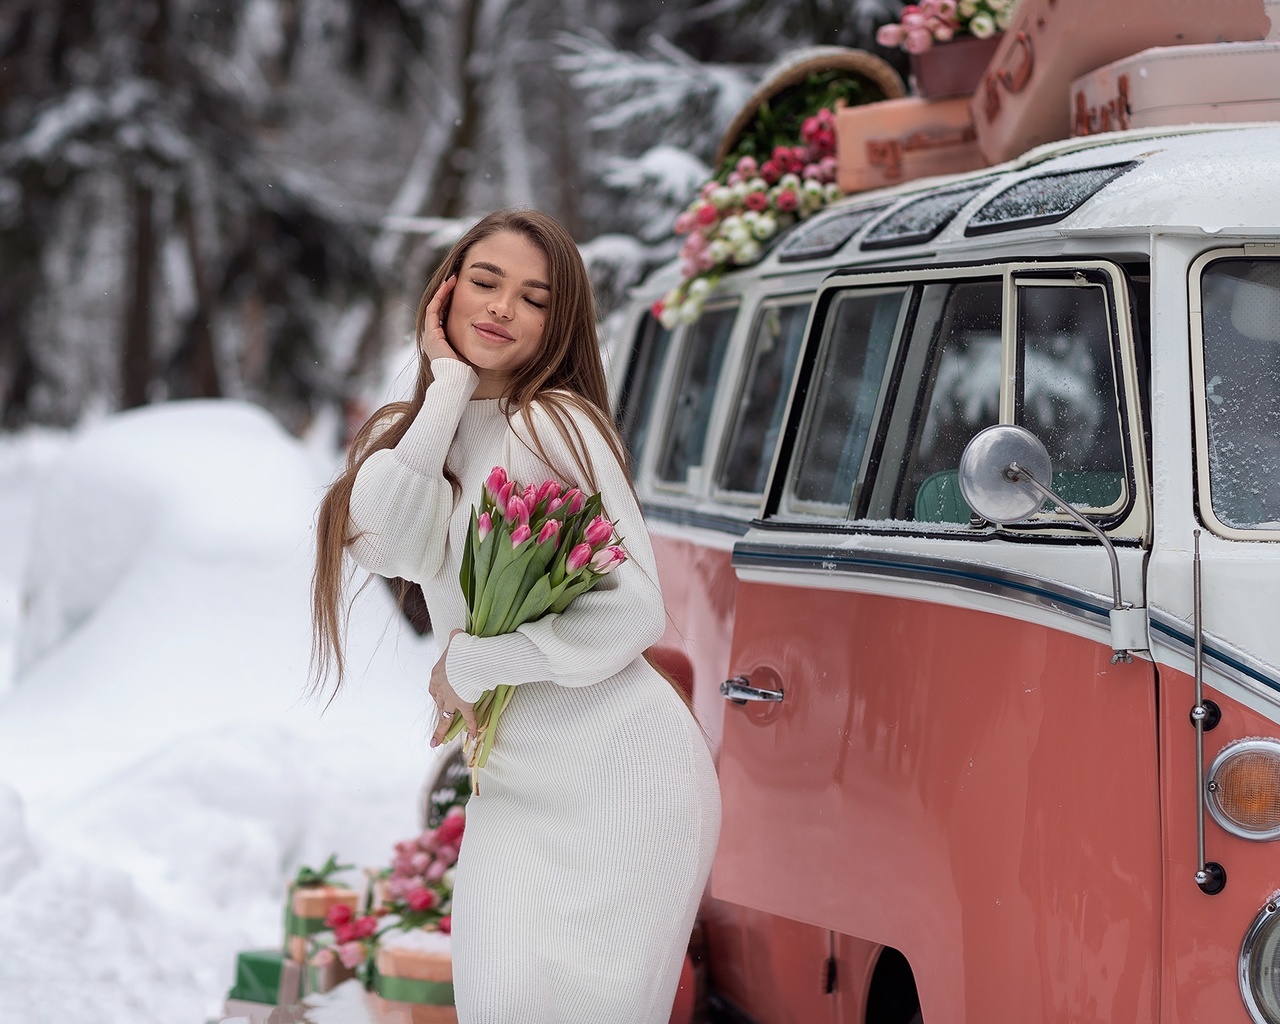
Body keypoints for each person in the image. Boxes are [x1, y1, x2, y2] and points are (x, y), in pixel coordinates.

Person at [312, 209, 721, 1023]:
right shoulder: (426, 438)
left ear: (557, 323)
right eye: (486, 282)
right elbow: (383, 540)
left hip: (622, 775)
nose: (501, 309)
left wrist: (474, 662)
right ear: (446, 291)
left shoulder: (553, 423)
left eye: (533, 298)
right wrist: (447, 388)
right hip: (513, 784)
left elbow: (636, 611)